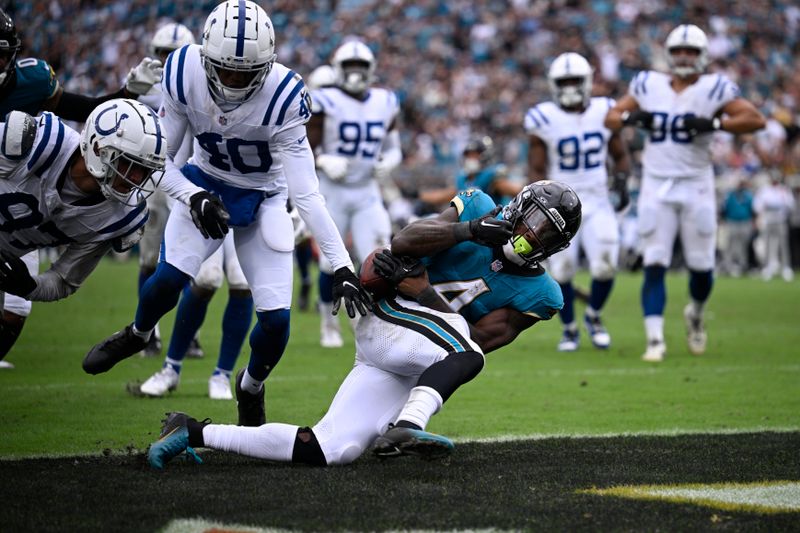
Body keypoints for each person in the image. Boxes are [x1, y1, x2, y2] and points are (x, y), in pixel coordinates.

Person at [146, 181, 581, 469]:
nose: (533, 235)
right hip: (384, 308)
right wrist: (469, 230)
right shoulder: (480, 205)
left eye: (547, 234)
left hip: (411, 349)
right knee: (462, 351)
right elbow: (404, 242)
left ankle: (192, 430)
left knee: (331, 448)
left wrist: (426, 292)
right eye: (533, 220)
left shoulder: (544, 296)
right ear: (518, 206)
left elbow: (481, 339)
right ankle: (410, 426)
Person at [83, 0, 370, 428]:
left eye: (246, 72)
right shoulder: (183, 72)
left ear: (267, 65)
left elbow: (307, 194)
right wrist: (193, 196)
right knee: (171, 278)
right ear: (205, 57)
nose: (234, 80)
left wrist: (343, 265)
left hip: (264, 198)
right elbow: (160, 161)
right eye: (226, 69)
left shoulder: (286, 96)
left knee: (276, 322)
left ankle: (250, 386)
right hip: (204, 181)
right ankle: (139, 332)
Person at [0, 8, 163, 367]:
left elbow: (61, 282)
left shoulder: (121, 215)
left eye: (143, 172)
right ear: (99, 151)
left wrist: (29, 286)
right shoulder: (33, 138)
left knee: (15, 308)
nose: (136, 181)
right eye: (130, 168)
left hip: (15, 244)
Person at [605, 24, 765, 362]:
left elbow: (754, 119)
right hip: (656, 183)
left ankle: (696, 311)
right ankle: (655, 339)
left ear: (703, 55)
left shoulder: (715, 87)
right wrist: (636, 117)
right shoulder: (649, 84)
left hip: (697, 183)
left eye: (690, 51)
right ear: (669, 53)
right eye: (678, 50)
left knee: (701, 267)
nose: (683, 57)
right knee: (654, 262)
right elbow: (612, 117)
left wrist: (716, 124)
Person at [130, 22, 254, 400]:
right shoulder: (177, 82)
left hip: (247, 195)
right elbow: (158, 147)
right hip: (190, 187)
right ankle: (169, 363)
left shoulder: (243, 87)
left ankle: (220, 374)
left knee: (241, 282)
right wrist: (128, 95)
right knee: (200, 279)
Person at [526, 52, 631, 352]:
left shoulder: (604, 110)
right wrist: (534, 202)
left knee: (606, 266)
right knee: (562, 271)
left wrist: (623, 180)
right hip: (558, 202)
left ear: (587, 81)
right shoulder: (543, 117)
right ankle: (569, 328)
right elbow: (536, 167)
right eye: (564, 81)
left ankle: (594, 317)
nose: (570, 86)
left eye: (575, 80)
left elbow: (620, 155)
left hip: (598, 200)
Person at [307, 39, 402, 348]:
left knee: (379, 257)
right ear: (338, 69)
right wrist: (322, 159)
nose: (356, 73)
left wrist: (389, 162)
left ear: (372, 69)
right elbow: (302, 146)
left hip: (366, 191)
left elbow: (394, 147)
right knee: (328, 263)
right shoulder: (324, 99)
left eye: (361, 67)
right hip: (332, 190)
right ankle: (328, 324)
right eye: (351, 67)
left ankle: (379, 324)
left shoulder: (385, 101)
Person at [419, 135, 522, 208]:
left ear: (485, 155)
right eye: (468, 155)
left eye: (474, 154)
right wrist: (419, 195)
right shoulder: (462, 179)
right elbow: (443, 195)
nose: (470, 158)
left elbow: (515, 190)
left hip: (493, 228)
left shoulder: (492, 176)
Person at [753, 174, 795, 281]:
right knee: (767, 245)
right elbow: (757, 205)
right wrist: (767, 206)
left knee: (783, 244)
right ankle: (767, 268)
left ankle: (786, 268)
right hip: (768, 221)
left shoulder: (784, 190)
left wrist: (779, 204)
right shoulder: (764, 190)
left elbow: (791, 204)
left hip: (780, 220)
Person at [720, 178, 755, 277]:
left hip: (744, 222)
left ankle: (742, 265)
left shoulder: (748, 195)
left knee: (743, 245)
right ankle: (728, 265)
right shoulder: (730, 195)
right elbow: (724, 208)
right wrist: (723, 219)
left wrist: (753, 222)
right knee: (730, 244)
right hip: (732, 221)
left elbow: (752, 209)